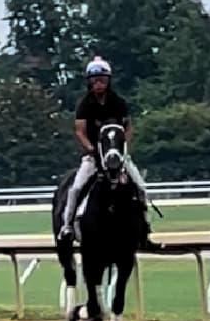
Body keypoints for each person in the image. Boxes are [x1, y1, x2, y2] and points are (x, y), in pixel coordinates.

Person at [58, 56, 151, 241]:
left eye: (102, 79)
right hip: (95, 157)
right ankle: (67, 226)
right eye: (95, 79)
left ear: (108, 80)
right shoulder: (85, 104)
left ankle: (145, 227)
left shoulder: (118, 102)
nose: (99, 83)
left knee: (140, 186)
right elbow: (80, 131)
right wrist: (91, 149)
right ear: (89, 82)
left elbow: (129, 126)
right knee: (75, 188)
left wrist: (124, 147)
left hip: (117, 154)